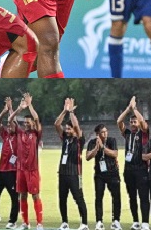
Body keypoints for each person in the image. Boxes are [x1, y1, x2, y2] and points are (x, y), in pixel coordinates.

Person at [9, 94, 43, 230]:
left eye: (29, 122)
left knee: (35, 195)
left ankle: (39, 223)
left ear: (33, 124)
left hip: (32, 170)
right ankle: (25, 223)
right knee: (22, 195)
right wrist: (19, 109)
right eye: (25, 122)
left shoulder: (36, 133)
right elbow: (11, 119)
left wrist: (30, 105)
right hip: (20, 170)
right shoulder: (19, 133)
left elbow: (36, 118)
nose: (27, 123)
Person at [54, 98, 88, 230]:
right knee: (62, 199)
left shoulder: (80, 140)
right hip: (63, 174)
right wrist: (64, 111)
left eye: (69, 129)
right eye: (67, 129)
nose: (67, 131)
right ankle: (64, 223)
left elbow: (77, 127)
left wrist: (72, 112)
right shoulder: (65, 139)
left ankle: (84, 224)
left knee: (78, 198)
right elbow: (57, 124)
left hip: (75, 174)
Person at [117, 97, 150, 230]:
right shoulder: (128, 134)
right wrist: (128, 109)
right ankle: (136, 221)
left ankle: (145, 223)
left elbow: (142, 121)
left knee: (143, 196)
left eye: (134, 121)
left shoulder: (144, 134)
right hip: (128, 170)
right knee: (132, 197)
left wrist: (135, 109)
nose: (132, 123)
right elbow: (119, 121)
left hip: (141, 169)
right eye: (131, 122)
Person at [0, 99, 19, 229]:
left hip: (12, 172)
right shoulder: (5, 135)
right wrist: (5, 111)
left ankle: (12, 221)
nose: (8, 126)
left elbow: (13, 121)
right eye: (8, 124)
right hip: (1, 171)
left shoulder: (19, 136)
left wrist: (12, 109)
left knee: (14, 197)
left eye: (11, 124)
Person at [86, 125, 121, 230]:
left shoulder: (112, 140)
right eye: (102, 132)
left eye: (106, 131)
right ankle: (99, 222)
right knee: (99, 197)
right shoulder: (92, 143)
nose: (105, 134)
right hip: (99, 174)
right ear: (97, 134)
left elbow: (115, 154)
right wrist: (96, 148)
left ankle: (116, 221)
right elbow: (87, 157)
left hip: (113, 173)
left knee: (116, 197)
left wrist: (102, 147)